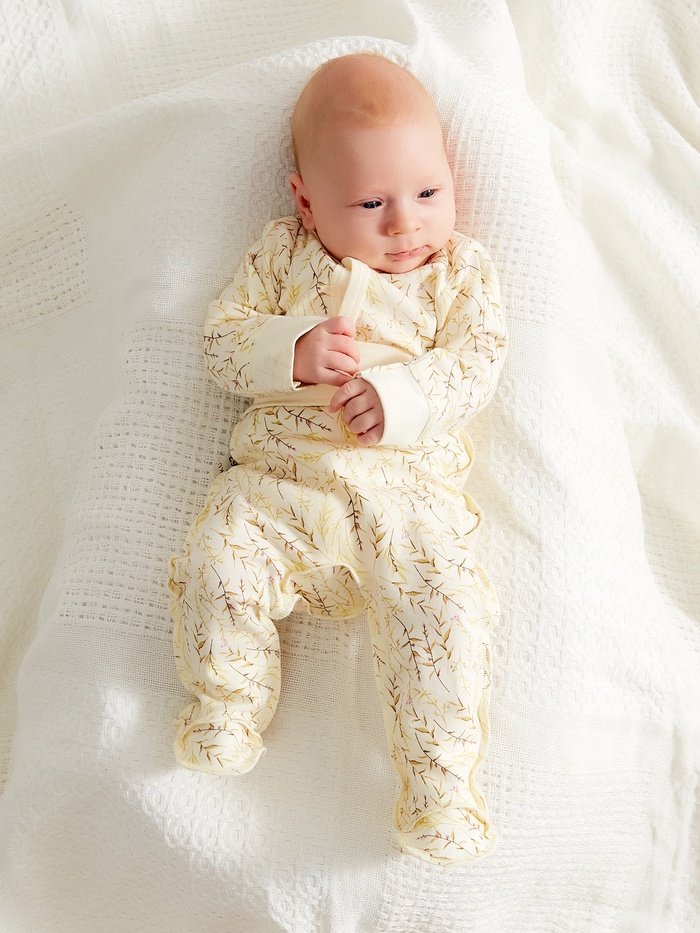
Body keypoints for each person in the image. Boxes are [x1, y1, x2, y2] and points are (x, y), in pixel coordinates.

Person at [169, 52, 508, 866]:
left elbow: (477, 360)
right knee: (219, 555)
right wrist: (290, 349)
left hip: (405, 498)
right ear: (306, 201)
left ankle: (439, 785)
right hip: (279, 490)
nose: (405, 225)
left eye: (428, 192)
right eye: (370, 202)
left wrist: (404, 397)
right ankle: (228, 702)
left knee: (447, 610)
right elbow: (221, 340)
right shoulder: (283, 255)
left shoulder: (457, 272)